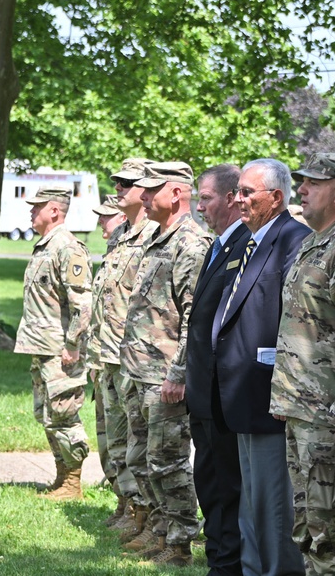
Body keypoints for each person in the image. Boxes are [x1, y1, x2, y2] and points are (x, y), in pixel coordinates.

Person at [269, 154, 335, 575]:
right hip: (302, 408)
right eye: (301, 182)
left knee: (333, 527)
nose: (303, 190)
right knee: (310, 525)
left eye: (312, 183)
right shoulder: (317, 241)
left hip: (330, 415)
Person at [212, 158, 311, 576]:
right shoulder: (248, 241)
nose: (239, 199)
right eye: (237, 191)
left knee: (273, 509)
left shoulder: (294, 240)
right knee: (251, 505)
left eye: (248, 192)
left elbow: (295, 322)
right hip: (243, 395)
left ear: (276, 197)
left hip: (272, 394)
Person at [118, 161, 211, 566]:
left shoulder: (191, 244)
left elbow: (195, 318)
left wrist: (179, 374)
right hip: (140, 371)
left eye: (152, 189)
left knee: (168, 461)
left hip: (165, 377)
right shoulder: (159, 238)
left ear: (177, 193)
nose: (143, 196)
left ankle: (179, 544)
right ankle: (160, 530)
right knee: (143, 459)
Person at [186, 163, 251, 576]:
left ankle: (226, 563)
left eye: (206, 198)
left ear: (230, 199)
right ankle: (217, 558)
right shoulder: (218, 245)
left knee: (225, 484)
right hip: (204, 389)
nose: (200, 206)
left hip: (226, 389)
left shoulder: (245, 244)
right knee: (208, 480)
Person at [96, 158, 161, 545]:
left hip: (137, 359)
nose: (119, 188)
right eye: (117, 182)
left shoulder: (154, 235)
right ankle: (127, 503)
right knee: (115, 438)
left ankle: (148, 513)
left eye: (127, 183)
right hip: (108, 354)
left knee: (142, 442)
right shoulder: (121, 234)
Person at [13, 186, 92, 501]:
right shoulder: (44, 246)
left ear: (55, 211)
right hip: (41, 346)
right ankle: (61, 479)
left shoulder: (68, 248)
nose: (31, 213)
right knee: (47, 415)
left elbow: (82, 304)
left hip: (61, 351)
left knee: (64, 414)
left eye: (37, 208)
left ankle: (72, 484)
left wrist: (72, 343)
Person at [84, 195, 129, 524]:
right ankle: (123, 502)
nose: (101, 221)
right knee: (108, 437)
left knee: (126, 438)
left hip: (124, 360)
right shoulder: (114, 248)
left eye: (107, 215)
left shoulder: (135, 246)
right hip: (103, 358)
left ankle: (136, 508)